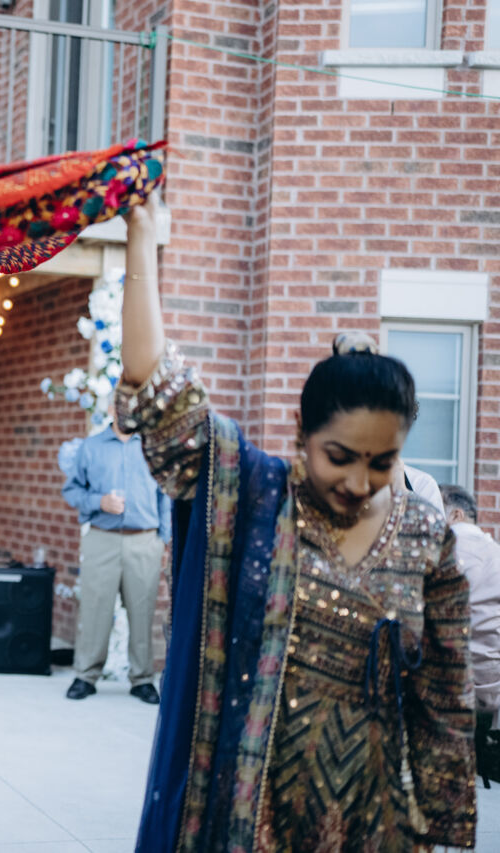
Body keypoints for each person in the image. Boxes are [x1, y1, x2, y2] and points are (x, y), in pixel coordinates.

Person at [120, 196, 475, 850]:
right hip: (250, 812)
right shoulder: (259, 495)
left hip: (373, 822)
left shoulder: (427, 538)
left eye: (381, 461)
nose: (358, 482)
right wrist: (142, 236)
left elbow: (445, 701)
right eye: (338, 456)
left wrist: (441, 826)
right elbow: (156, 391)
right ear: (300, 434)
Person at [61, 419, 171, 704]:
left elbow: (165, 494)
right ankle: (85, 676)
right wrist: (99, 502)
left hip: (145, 540)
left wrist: (164, 538)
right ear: (114, 408)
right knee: (94, 610)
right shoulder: (91, 447)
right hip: (102, 538)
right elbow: (72, 490)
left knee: (143, 611)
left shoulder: (153, 446)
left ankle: (142, 680)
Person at [441, 484, 500, 773]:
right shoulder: (496, 552)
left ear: (456, 514)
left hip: (455, 686)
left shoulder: (449, 548)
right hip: (495, 689)